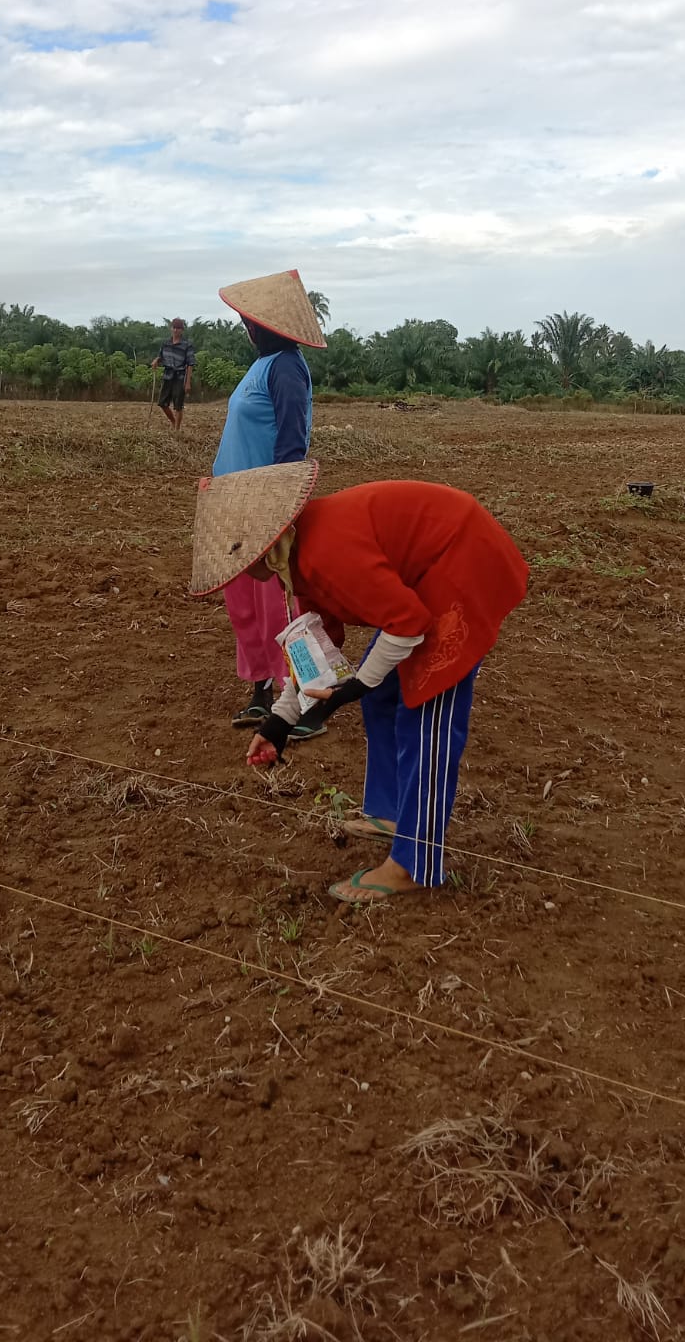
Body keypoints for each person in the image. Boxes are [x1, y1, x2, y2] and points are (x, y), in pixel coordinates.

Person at [189, 461, 529, 903]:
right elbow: (318, 648)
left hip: (462, 560)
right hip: (427, 574)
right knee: (383, 696)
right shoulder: (294, 556)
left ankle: (414, 863)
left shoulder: (325, 552)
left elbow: (408, 622)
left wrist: (358, 684)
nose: (238, 577)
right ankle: (392, 813)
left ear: (256, 549)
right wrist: (280, 721)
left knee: (426, 712)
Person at [211, 270, 327, 739]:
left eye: (249, 322)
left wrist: (282, 506)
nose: (246, 328)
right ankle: (262, 687)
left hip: (266, 501)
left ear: (262, 326)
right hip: (234, 501)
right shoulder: (262, 366)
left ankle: (308, 698)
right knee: (246, 606)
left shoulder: (286, 367)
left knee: (281, 604)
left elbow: (292, 440)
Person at [149, 318, 195, 432]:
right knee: (162, 403)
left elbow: (190, 364)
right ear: (171, 329)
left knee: (178, 405)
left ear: (182, 330)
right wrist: (156, 360)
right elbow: (161, 356)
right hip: (167, 375)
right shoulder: (166, 343)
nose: (175, 330)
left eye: (178, 328)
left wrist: (188, 382)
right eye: (174, 328)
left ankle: (177, 430)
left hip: (180, 377)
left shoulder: (187, 345)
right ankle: (173, 421)